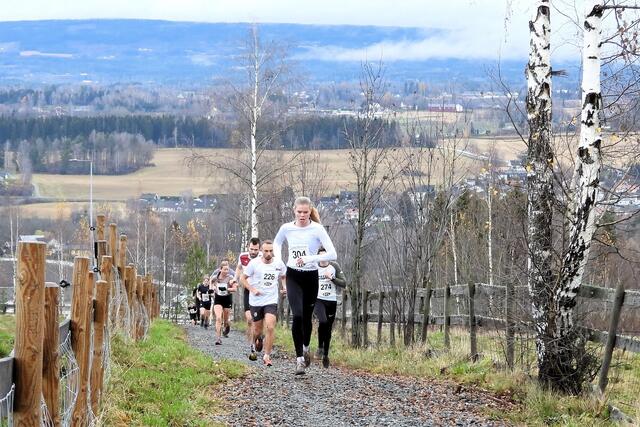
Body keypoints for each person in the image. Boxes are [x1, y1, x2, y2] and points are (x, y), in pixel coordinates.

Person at [274, 196, 337, 375]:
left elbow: (332, 254)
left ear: (310, 211)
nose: (302, 215)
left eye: (305, 212)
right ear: (294, 210)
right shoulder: (286, 228)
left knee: (307, 318)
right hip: (293, 275)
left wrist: (310, 258)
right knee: (298, 315)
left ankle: (306, 347)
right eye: (299, 212)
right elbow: (277, 242)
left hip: (310, 276)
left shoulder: (317, 229)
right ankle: (299, 359)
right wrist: (280, 262)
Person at [241, 240, 286, 366]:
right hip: (256, 301)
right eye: (266, 251)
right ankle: (256, 341)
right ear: (261, 251)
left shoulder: (278, 263)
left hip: (271, 300)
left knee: (270, 326)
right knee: (257, 330)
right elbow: (242, 279)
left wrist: (284, 287)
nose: (268, 253)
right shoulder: (254, 264)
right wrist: (252, 289)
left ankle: (267, 356)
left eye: (271, 251)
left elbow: (283, 275)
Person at [314, 248, 346, 368]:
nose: (323, 259)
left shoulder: (334, 266)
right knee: (323, 321)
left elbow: (344, 283)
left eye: (325, 256)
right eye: (320, 257)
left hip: (331, 300)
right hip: (318, 299)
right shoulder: (314, 267)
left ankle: (326, 354)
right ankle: (319, 347)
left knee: (328, 328)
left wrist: (332, 278)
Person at [234, 237, 262, 348]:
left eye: (256, 249)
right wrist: (234, 279)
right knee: (250, 319)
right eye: (252, 249)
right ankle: (252, 343)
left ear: (259, 249)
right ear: (248, 247)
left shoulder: (263, 256)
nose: (254, 252)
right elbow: (239, 268)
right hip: (247, 289)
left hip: (260, 291)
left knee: (259, 319)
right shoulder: (242, 256)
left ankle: (259, 336)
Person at [211, 261, 238, 345]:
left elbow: (235, 289)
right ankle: (218, 338)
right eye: (225, 269)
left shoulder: (230, 278)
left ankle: (227, 326)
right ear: (220, 269)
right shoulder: (215, 277)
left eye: (228, 269)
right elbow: (211, 283)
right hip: (218, 299)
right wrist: (213, 289)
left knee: (226, 320)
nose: (227, 271)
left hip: (227, 299)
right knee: (218, 318)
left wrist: (226, 288)